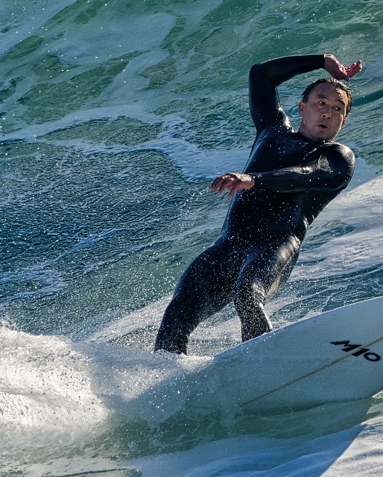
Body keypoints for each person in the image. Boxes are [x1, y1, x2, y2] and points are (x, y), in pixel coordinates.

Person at [153, 53, 363, 354]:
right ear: (302, 107)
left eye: (337, 109)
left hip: (274, 246)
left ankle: (267, 365)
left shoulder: (338, 158)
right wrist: (321, 60)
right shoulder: (272, 129)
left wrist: (256, 180)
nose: (328, 112)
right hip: (228, 245)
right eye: (321, 102)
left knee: (248, 294)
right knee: (178, 310)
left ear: (343, 120)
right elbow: (261, 75)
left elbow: (303, 175)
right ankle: (167, 378)